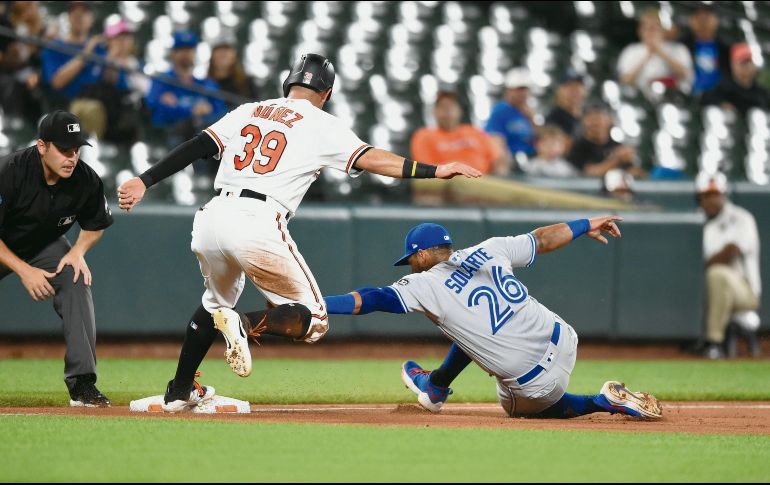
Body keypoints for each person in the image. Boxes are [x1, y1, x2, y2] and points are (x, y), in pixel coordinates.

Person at [116, 53, 481, 412]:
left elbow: (198, 146)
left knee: (214, 304)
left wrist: (145, 180)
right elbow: (373, 160)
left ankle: (180, 390)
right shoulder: (321, 122)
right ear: (327, 92)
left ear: (288, 83)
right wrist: (436, 170)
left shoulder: (250, 110)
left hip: (211, 217)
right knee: (315, 319)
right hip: (258, 218)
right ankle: (243, 325)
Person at [322, 221, 662, 419]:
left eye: (410, 259)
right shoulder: (491, 247)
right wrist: (585, 224)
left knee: (518, 407)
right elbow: (543, 239)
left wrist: (319, 304)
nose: (410, 265)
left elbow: (373, 299)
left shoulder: (425, 283)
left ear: (422, 254)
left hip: (536, 385)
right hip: (565, 339)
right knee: (474, 325)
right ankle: (436, 386)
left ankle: (599, 402)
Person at [0, 110, 113, 407]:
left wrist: (77, 252)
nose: (71, 157)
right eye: (63, 149)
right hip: (5, 244)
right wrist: (25, 271)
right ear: (42, 146)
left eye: (76, 150)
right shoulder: (10, 171)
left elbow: (96, 224)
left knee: (74, 275)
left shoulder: (85, 179)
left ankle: (82, 384)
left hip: (41, 244)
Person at [145, 30, 227, 179]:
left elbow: (221, 112)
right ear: (173, 53)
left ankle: (203, 184)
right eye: (181, 49)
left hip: (200, 137)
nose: (185, 54)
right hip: (169, 134)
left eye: (189, 49)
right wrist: (192, 110)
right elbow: (155, 111)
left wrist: (178, 107)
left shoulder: (204, 83)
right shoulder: (162, 81)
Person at [696, 172, 761, 360]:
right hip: (709, 290)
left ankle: (714, 342)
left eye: (715, 194)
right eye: (706, 195)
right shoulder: (697, 220)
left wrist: (706, 263)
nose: (712, 200)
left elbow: (732, 251)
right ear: (699, 198)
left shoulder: (741, 218)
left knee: (717, 274)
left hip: (745, 291)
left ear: (724, 195)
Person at [71, 17, 146, 143]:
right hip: (98, 113)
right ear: (108, 40)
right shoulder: (99, 59)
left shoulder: (137, 65)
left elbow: (145, 91)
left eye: (126, 37)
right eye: (118, 37)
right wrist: (112, 57)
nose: (122, 42)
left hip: (123, 119)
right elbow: (106, 79)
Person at [411, 91, 506, 175]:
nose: (447, 110)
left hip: (482, 184)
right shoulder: (424, 136)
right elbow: (426, 169)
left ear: (459, 110)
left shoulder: (474, 131)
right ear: (434, 112)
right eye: (442, 107)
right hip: (444, 187)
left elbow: (497, 159)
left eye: (451, 106)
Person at [617, 9, 693, 101]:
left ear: (663, 30)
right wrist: (647, 55)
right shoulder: (631, 51)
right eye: (647, 28)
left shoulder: (678, 49)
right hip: (640, 99)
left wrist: (661, 52)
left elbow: (685, 75)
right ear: (640, 31)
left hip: (673, 98)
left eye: (655, 28)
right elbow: (626, 80)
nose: (651, 32)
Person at [41, 1, 106, 107]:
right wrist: (87, 53)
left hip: (99, 105)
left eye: (84, 12)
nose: (78, 16)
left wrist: (115, 51)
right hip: (64, 108)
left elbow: (111, 79)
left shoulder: (99, 48)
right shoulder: (54, 46)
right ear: (68, 17)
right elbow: (57, 82)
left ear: (92, 18)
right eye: (74, 12)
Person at [566, 102, 639, 177]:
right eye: (590, 117)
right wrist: (617, 159)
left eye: (600, 117)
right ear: (583, 121)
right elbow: (588, 174)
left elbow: (635, 173)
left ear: (610, 120)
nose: (595, 122)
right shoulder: (575, 147)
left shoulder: (618, 147)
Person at [701, 43, 770, 117]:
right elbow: (704, 102)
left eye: (749, 61)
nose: (747, 66)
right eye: (742, 62)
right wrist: (721, 104)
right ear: (733, 65)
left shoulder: (762, 93)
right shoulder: (721, 87)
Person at [678, 3, 732, 95]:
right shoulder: (680, 46)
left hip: (719, 97)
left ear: (716, 21)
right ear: (691, 21)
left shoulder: (726, 49)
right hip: (686, 95)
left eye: (707, 18)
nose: (703, 22)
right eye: (699, 18)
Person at [485, 67, 536, 160]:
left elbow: (536, 139)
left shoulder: (528, 111)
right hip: (510, 158)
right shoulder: (500, 111)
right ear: (509, 90)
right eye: (519, 89)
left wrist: (532, 120)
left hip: (530, 157)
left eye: (525, 89)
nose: (523, 93)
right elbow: (495, 138)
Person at [207, 34, 259, 108]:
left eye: (227, 49)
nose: (223, 53)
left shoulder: (247, 83)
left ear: (234, 56)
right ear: (212, 56)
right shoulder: (203, 84)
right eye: (219, 50)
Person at [544, 69, 586, 142]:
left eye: (578, 86)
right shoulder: (553, 117)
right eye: (569, 86)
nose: (574, 90)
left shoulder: (587, 115)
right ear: (559, 90)